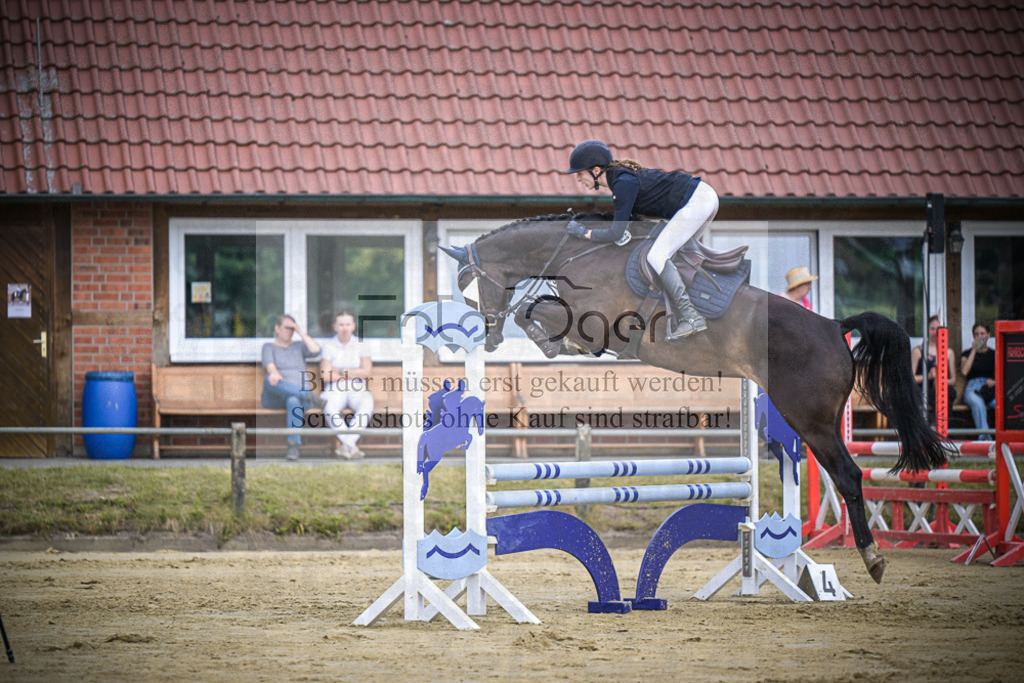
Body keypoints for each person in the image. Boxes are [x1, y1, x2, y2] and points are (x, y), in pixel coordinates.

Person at [563, 139, 719, 343]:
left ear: (595, 170)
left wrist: (585, 232)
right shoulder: (621, 181)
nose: (578, 180)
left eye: (580, 174)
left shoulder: (622, 183)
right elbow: (627, 228)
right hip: (702, 198)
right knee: (674, 257)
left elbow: (616, 234)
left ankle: (690, 315)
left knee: (657, 256)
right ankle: (697, 307)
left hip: (697, 201)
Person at [261, 315, 322, 461]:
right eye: (287, 328)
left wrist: (299, 331)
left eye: (292, 329)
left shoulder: (299, 346)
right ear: (277, 328)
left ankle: (293, 446)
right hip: (276, 396)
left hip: (298, 401)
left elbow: (316, 350)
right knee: (269, 379)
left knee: (294, 400)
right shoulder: (268, 347)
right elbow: (270, 366)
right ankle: (308, 394)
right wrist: (274, 373)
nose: (290, 331)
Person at [320, 311, 374, 460]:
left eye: (348, 324)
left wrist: (340, 370)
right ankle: (352, 446)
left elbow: (366, 372)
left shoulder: (361, 344)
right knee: (329, 407)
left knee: (367, 403)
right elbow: (325, 375)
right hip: (335, 389)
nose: (345, 328)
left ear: (353, 326)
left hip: (357, 388)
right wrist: (354, 371)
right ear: (335, 327)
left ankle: (347, 445)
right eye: (341, 324)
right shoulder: (329, 346)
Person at [911, 315, 957, 425]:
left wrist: (941, 379)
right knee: (941, 394)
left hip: (941, 389)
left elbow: (953, 380)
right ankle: (942, 428)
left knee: (947, 392)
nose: (935, 332)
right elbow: (911, 379)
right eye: (932, 329)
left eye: (938, 329)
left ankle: (943, 427)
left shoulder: (949, 353)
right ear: (927, 330)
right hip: (922, 390)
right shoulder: (917, 351)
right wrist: (929, 376)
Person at [960, 322, 996, 439]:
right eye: (976, 334)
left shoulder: (994, 354)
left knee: (1002, 403)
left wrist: (995, 382)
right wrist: (974, 351)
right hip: (973, 388)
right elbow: (964, 372)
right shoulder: (967, 353)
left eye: (982, 334)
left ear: (988, 335)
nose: (979, 337)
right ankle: (985, 439)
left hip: (989, 388)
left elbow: (1003, 375)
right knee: (977, 403)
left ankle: (1010, 438)